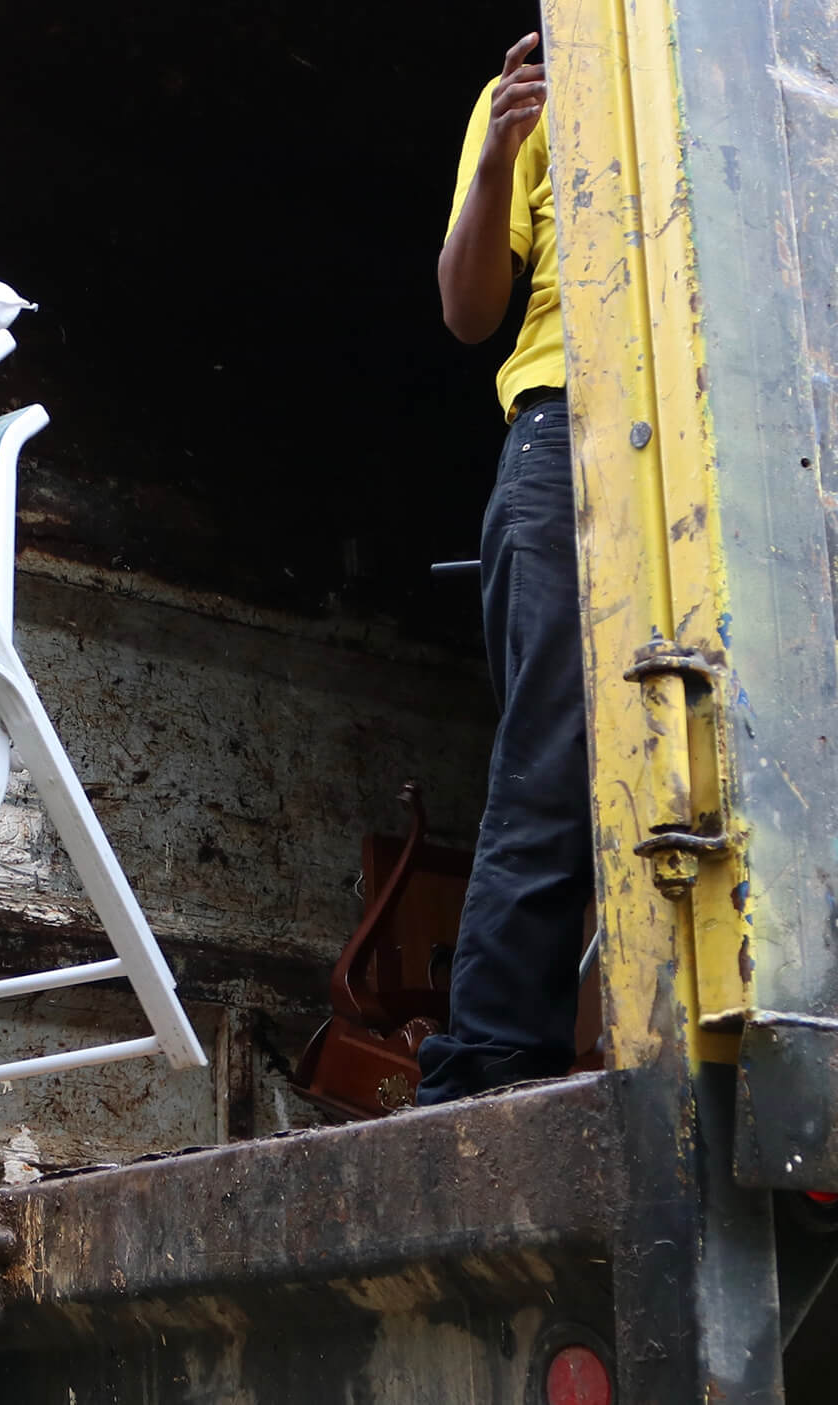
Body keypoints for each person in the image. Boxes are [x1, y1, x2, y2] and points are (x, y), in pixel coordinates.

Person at [415, 32, 595, 1105]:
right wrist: (496, 158)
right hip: (568, 433)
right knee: (551, 766)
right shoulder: (530, 95)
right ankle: (488, 1075)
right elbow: (467, 311)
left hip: (756, 431)